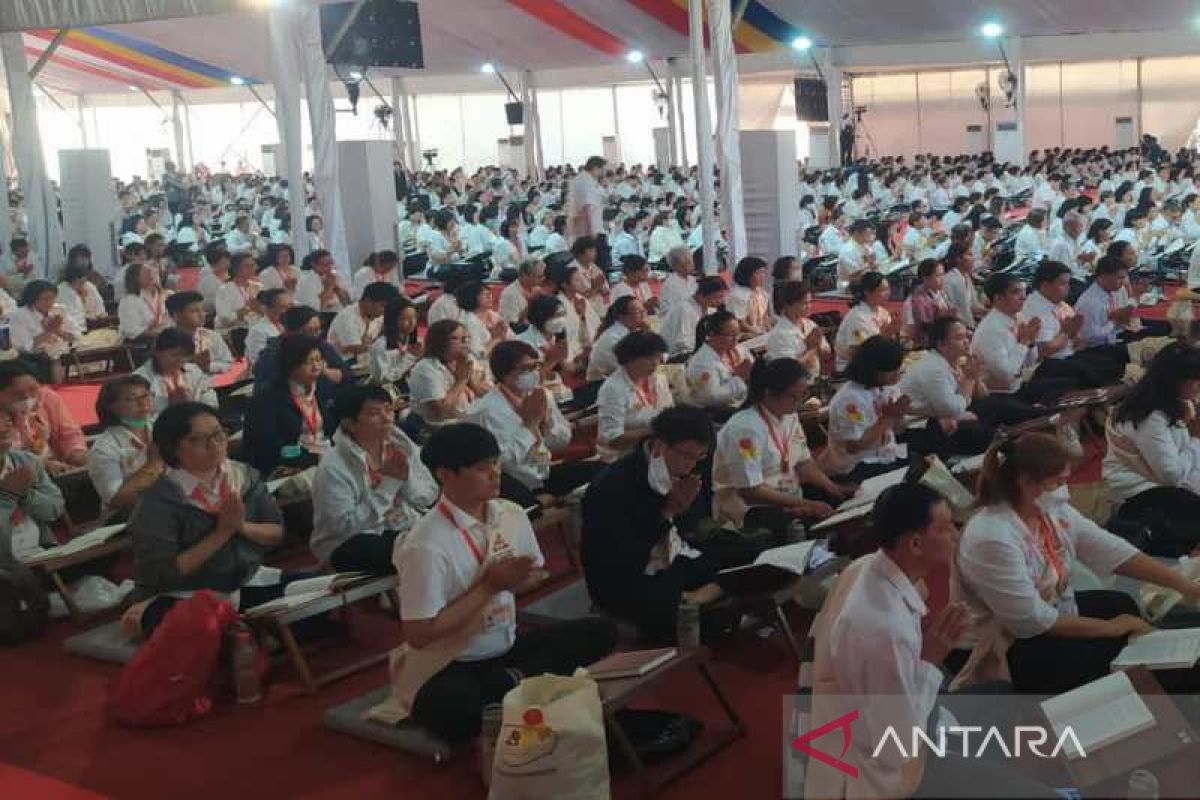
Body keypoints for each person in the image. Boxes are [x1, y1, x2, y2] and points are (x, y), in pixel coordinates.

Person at [805, 483, 1046, 800]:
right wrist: (929, 659)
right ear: (915, 543)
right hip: (894, 773)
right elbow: (892, 747)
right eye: (946, 529)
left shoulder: (871, 568)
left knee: (1001, 693)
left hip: (899, 718)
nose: (956, 536)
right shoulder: (883, 629)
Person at [397, 422, 617, 743]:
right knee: (453, 706)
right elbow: (419, 635)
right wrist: (490, 587)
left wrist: (518, 580)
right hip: (453, 661)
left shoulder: (510, 513)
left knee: (601, 631)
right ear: (445, 475)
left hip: (508, 646)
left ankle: (511, 687)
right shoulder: (425, 544)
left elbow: (535, 573)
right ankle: (522, 687)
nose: (495, 473)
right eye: (481, 468)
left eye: (496, 463)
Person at [954, 433, 1200, 693]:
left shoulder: (1048, 509)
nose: (1065, 489)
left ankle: (1147, 676)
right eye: (1058, 481)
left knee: (1120, 604)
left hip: (1048, 608)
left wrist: (1184, 585)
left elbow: (1111, 550)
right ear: (1026, 482)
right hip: (1006, 639)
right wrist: (1110, 627)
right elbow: (1030, 620)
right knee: (1093, 656)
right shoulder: (992, 537)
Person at [583, 405, 740, 643]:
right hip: (632, 575)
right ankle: (704, 598)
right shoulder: (611, 486)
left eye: (700, 457)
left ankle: (697, 597)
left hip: (679, 556)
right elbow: (623, 558)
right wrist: (668, 511)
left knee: (751, 552)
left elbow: (692, 530)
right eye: (686, 456)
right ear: (659, 444)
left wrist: (684, 513)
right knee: (700, 622)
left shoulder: (694, 466)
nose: (692, 465)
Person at [127, 402, 286, 637]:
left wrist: (241, 527)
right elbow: (161, 574)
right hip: (186, 594)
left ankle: (246, 636)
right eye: (197, 439)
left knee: (325, 594)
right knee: (192, 626)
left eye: (218, 434)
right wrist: (221, 533)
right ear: (173, 449)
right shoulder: (158, 500)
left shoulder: (243, 476)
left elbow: (277, 532)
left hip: (247, 581)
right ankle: (246, 637)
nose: (214, 445)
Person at [712, 358, 850, 533]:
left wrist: (831, 487)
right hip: (751, 509)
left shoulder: (789, 415)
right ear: (769, 393)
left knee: (841, 503)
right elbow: (750, 491)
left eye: (802, 395)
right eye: (793, 396)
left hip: (789, 496)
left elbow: (803, 462)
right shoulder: (745, 429)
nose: (798, 402)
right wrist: (804, 504)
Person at [311, 386, 437, 574]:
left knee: (448, 530)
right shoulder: (333, 466)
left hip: (401, 526)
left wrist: (405, 479)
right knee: (411, 549)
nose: (386, 418)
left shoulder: (399, 443)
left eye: (388, 409)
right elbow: (344, 527)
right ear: (350, 424)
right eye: (374, 413)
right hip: (351, 543)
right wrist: (389, 485)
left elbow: (429, 495)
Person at [467, 340, 599, 508]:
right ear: (504, 373)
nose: (533, 374)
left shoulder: (541, 395)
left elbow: (562, 441)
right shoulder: (484, 411)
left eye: (535, 366)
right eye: (524, 369)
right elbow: (503, 462)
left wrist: (546, 424)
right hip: (513, 485)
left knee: (604, 473)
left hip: (543, 471)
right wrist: (529, 426)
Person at [1105, 343, 1200, 556]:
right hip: (1141, 492)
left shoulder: (1175, 401)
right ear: (1176, 381)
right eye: (1195, 380)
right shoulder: (1149, 415)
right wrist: (1195, 438)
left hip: (1168, 477)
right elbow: (1170, 475)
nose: (1198, 386)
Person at [820, 335, 911, 481]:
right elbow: (855, 446)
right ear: (873, 369)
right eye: (892, 369)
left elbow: (899, 429)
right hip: (857, 465)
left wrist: (900, 414)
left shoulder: (886, 388)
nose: (897, 373)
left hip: (885, 454)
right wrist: (888, 417)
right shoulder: (850, 398)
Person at [243, 334, 336, 476]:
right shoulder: (267, 398)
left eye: (319, 360)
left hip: (324, 457)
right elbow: (272, 447)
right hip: (289, 466)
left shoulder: (322, 387)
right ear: (291, 364)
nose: (316, 366)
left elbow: (332, 429)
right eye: (309, 362)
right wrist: (309, 457)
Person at [1023, 260, 1123, 389]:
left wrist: (1074, 334)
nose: (1068, 287)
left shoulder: (1060, 304)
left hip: (1069, 354)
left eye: (1068, 283)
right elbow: (1045, 350)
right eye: (1063, 283)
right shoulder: (1035, 309)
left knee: (1109, 362)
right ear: (1046, 285)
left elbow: (1078, 340)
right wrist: (1067, 333)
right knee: (1099, 372)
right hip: (1048, 364)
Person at [86, 375, 163, 517]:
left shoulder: (161, 427)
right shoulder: (104, 449)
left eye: (145, 395)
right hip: (129, 518)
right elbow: (116, 500)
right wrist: (152, 465)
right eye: (130, 399)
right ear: (111, 407)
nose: (143, 402)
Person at [0, 408, 65, 564]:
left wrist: (26, 495)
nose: (3, 429)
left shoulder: (27, 461)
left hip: (40, 553)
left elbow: (54, 509)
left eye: (7, 423)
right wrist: (7, 496)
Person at [597, 330, 674, 462]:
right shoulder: (613, 389)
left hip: (656, 449)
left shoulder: (658, 379)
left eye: (658, 357)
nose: (655, 363)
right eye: (650, 358)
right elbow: (612, 439)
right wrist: (655, 430)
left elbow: (670, 413)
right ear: (630, 358)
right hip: (623, 457)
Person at [0, 361, 86, 474]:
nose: (28, 397)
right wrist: (42, 465)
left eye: (33, 389)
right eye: (17, 394)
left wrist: (78, 454)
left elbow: (69, 435)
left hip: (60, 469)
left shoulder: (48, 398)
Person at [408, 319, 489, 424]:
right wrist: (461, 380)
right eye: (456, 338)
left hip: (468, 421)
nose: (464, 342)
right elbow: (441, 413)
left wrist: (472, 381)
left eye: (466, 338)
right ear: (440, 342)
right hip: (440, 429)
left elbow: (486, 394)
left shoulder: (464, 361)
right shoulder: (425, 368)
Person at [133, 329, 218, 414]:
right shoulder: (139, 379)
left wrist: (190, 406)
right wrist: (173, 409)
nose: (180, 360)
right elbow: (142, 417)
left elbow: (212, 402)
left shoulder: (194, 370)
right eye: (175, 355)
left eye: (185, 356)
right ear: (157, 352)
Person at [685, 310, 752, 412]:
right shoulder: (702, 362)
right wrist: (739, 377)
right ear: (712, 335)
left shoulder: (738, 350)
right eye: (731, 335)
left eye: (737, 334)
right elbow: (710, 397)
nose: (736, 339)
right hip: (718, 414)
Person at [10, 281, 77, 383]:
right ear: (33, 299)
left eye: (52, 298)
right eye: (45, 299)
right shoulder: (19, 315)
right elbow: (23, 347)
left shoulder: (59, 310)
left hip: (65, 356)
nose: (50, 302)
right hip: (34, 362)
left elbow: (75, 336)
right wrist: (47, 333)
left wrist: (58, 331)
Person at [833, 271, 899, 372]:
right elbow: (859, 352)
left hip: (877, 361)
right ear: (867, 292)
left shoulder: (882, 311)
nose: (888, 293)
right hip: (854, 368)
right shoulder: (857, 317)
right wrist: (884, 335)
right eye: (883, 290)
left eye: (888, 289)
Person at [765, 280, 828, 377]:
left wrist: (819, 344)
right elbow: (789, 370)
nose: (809, 307)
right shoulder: (780, 334)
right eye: (804, 303)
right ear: (788, 305)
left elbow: (826, 355)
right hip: (792, 386)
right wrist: (810, 348)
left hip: (814, 379)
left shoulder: (810, 324)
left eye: (810, 302)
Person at [166, 291, 235, 376]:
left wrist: (208, 366)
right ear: (176, 316)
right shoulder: (166, 341)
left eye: (202, 310)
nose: (201, 314)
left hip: (215, 384)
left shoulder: (212, 335)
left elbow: (228, 363)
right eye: (194, 311)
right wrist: (193, 363)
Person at [327, 281, 398, 360]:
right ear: (368, 301)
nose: (385, 311)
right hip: (345, 363)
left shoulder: (376, 316)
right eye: (383, 306)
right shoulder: (348, 317)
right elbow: (358, 349)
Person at [661, 275, 728, 357]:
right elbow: (682, 344)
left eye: (722, 297)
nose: (720, 301)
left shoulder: (711, 308)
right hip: (678, 355)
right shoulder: (684, 309)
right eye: (717, 297)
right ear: (701, 295)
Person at [587, 296, 647, 382]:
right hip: (599, 386)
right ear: (622, 317)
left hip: (617, 379)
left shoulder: (631, 331)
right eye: (638, 312)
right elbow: (633, 369)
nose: (644, 314)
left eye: (643, 310)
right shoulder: (614, 338)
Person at [368, 296, 423, 386]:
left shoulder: (415, 341)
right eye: (405, 319)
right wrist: (410, 357)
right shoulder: (381, 346)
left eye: (414, 317)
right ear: (393, 320)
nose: (412, 322)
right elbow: (383, 379)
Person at [905, 258, 954, 347]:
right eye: (938, 275)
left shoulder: (941, 292)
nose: (943, 278)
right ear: (926, 278)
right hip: (929, 342)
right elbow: (924, 327)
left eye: (943, 274)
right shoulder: (917, 299)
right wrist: (942, 316)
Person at [455, 281, 508, 359]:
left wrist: (503, 336)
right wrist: (496, 338)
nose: (489, 296)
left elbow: (511, 338)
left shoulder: (494, 315)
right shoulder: (468, 322)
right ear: (472, 297)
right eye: (484, 294)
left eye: (489, 293)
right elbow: (478, 354)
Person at [117, 263, 170, 342]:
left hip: (166, 338)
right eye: (147, 273)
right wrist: (161, 332)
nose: (153, 276)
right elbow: (132, 332)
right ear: (135, 278)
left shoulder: (165, 295)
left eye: (154, 273)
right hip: (144, 346)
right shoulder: (129, 301)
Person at [214, 253, 262, 332]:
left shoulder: (258, 286)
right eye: (248, 266)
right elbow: (224, 319)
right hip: (234, 332)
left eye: (253, 265)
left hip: (257, 329)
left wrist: (259, 309)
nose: (252, 268)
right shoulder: (225, 290)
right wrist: (246, 309)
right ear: (236, 269)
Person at [244, 288, 291, 368]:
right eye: (283, 307)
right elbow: (260, 361)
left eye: (290, 306)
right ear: (267, 309)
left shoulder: (291, 325)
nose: (288, 311)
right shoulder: (258, 331)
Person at [294, 248, 350, 313]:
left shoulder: (334, 276)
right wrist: (330, 287)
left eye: (331, 263)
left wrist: (338, 288)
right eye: (325, 265)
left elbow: (347, 303)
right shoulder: (307, 280)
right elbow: (315, 309)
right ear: (314, 265)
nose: (330, 267)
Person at [942, 240, 983, 329]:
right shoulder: (949, 280)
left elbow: (974, 306)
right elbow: (952, 314)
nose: (973, 258)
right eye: (969, 254)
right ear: (958, 259)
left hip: (969, 326)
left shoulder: (965, 276)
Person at [726, 256, 771, 336]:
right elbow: (740, 322)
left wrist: (770, 332)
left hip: (760, 334)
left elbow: (765, 317)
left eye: (764, 272)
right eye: (758, 273)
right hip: (743, 336)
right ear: (747, 274)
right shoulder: (737, 295)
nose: (762, 276)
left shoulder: (762, 293)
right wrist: (759, 333)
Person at [56, 263, 105, 333]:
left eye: (84, 282)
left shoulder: (89, 286)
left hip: (94, 325)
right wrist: (82, 300)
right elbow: (71, 318)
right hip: (74, 330)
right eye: (80, 282)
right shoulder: (62, 291)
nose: (83, 285)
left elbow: (100, 307)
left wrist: (97, 315)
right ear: (71, 280)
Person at [497, 257, 544, 327]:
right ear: (524, 275)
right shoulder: (509, 294)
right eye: (539, 277)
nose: (543, 279)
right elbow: (513, 325)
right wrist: (530, 302)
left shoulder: (540, 289)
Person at [836, 219, 877, 288]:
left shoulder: (864, 245)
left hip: (865, 278)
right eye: (867, 234)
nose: (870, 236)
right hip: (849, 284)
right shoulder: (847, 250)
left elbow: (872, 264)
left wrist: (873, 264)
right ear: (857, 233)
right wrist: (869, 264)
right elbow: (854, 274)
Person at [658, 245, 696, 314]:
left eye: (691, 262)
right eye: (687, 263)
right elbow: (668, 309)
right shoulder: (670, 284)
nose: (692, 265)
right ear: (677, 266)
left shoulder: (692, 279)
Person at [197, 244, 230, 311]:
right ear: (214, 263)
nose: (228, 264)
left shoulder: (222, 273)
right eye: (224, 262)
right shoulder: (208, 278)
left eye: (228, 261)